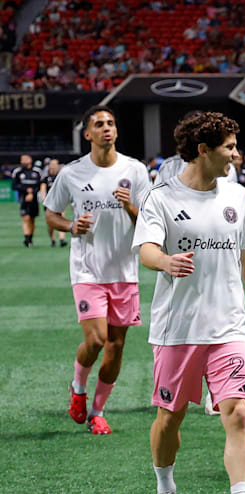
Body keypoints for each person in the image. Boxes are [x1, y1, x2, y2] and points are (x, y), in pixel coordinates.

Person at [132, 111, 245, 494]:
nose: (235, 153)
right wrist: (166, 261)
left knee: (239, 414)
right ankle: (165, 489)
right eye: (228, 146)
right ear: (203, 150)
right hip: (178, 330)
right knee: (170, 418)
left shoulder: (238, 196)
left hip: (229, 327)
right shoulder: (162, 198)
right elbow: (147, 250)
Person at [44, 106, 152, 435]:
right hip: (87, 269)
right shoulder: (72, 173)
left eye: (111, 123)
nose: (106, 128)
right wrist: (71, 226)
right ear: (87, 134)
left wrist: (129, 206)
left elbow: (149, 220)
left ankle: (98, 411)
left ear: (116, 131)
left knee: (116, 346)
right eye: (98, 124)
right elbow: (51, 214)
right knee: (97, 339)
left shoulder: (135, 170)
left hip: (124, 271)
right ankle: (78, 388)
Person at [12, 154, 45, 247]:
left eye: (25, 159)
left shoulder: (37, 171)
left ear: (30, 160)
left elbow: (41, 184)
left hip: (34, 199)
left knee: (32, 219)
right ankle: (26, 238)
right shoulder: (17, 172)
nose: (23, 161)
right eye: (22, 160)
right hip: (23, 198)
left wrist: (32, 193)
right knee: (25, 218)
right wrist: (26, 190)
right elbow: (14, 185)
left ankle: (30, 237)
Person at [42, 158, 67, 247]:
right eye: (51, 164)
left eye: (55, 164)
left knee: (61, 219)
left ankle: (62, 239)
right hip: (49, 202)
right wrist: (44, 199)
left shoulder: (61, 176)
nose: (53, 166)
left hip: (60, 200)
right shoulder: (46, 176)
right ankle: (52, 240)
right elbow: (43, 188)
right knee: (51, 223)